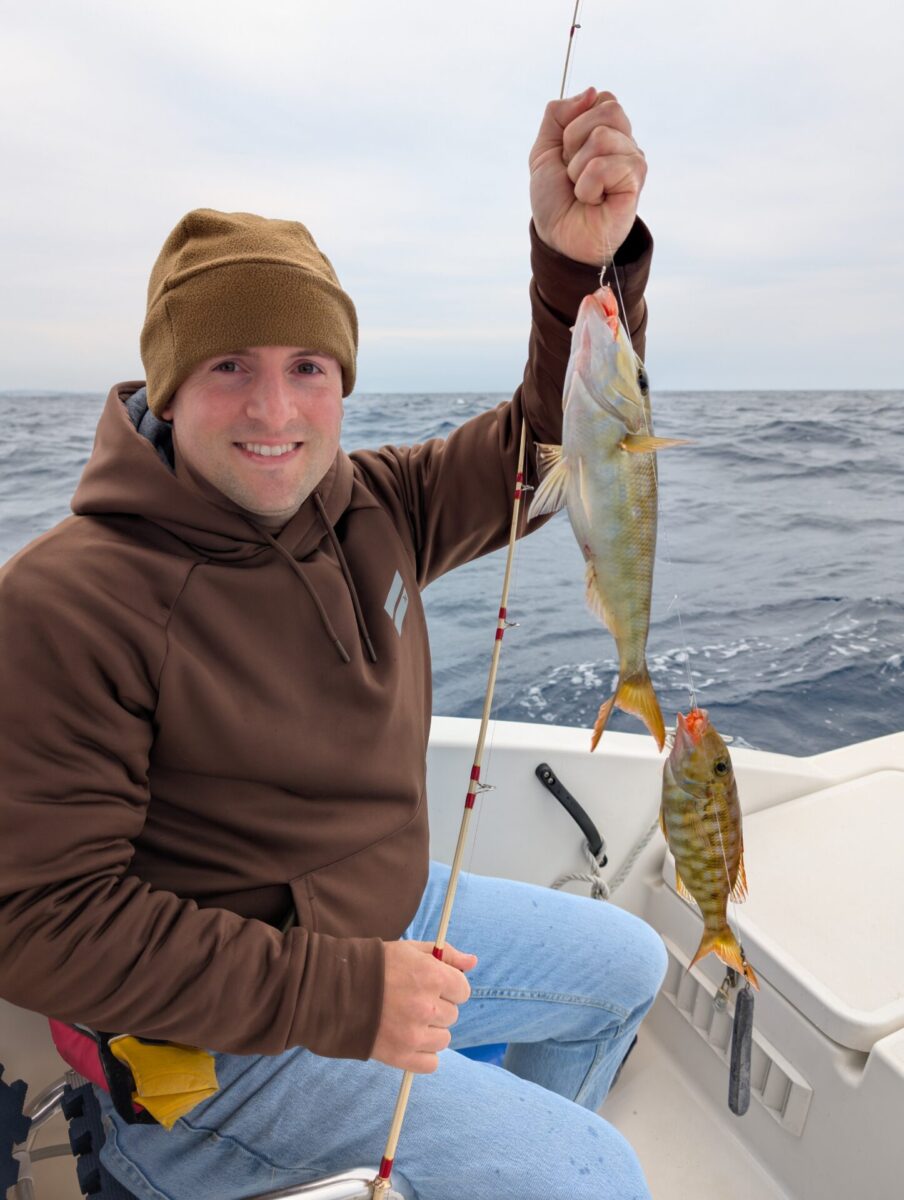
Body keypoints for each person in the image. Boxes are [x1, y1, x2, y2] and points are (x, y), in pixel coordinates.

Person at [0, 87, 667, 1200]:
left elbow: (549, 450)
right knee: (598, 1176)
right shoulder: (68, 600)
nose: (276, 409)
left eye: (308, 367)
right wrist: (348, 999)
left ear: (342, 382)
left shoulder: (373, 503)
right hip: (217, 1054)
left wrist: (577, 269)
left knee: (626, 966)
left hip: (381, 919)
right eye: (230, 367)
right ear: (170, 385)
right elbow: (40, 924)